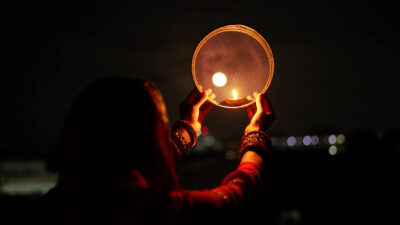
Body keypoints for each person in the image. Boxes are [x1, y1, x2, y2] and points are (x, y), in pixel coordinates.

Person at [36, 76, 275, 225]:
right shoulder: (160, 213)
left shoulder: (53, 208)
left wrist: (188, 130)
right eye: (156, 128)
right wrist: (255, 134)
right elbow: (237, 199)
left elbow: (136, 157)